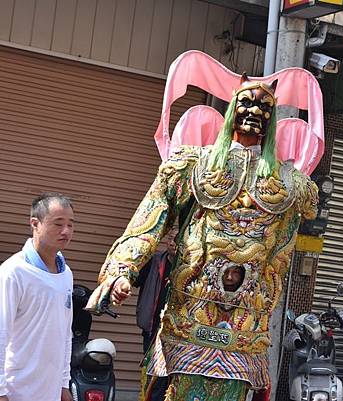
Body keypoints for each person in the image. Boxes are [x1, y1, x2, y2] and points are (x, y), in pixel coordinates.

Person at [86, 75, 318, 400]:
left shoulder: (291, 186)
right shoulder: (194, 165)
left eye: (264, 106)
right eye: (246, 102)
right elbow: (150, 220)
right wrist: (122, 270)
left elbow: (282, 251)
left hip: (244, 326)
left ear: (273, 117)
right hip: (189, 316)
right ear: (232, 109)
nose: (253, 111)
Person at [0, 193, 75, 401]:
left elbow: (65, 331)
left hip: (50, 390)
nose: (66, 231)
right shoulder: (14, 271)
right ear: (35, 223)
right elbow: (1, 332)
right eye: (58, 224)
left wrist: (63, 382)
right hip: (17, 389)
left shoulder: (66, 273)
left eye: (70, 224)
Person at [133, 228, 177, 401]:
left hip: (179, 333)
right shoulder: (154, 262)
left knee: (173, 379)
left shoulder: (191, 266)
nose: (173, 243)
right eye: (171, 239)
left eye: (178, 239)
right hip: (153, 331)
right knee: (155, 379)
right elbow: (134, 278)